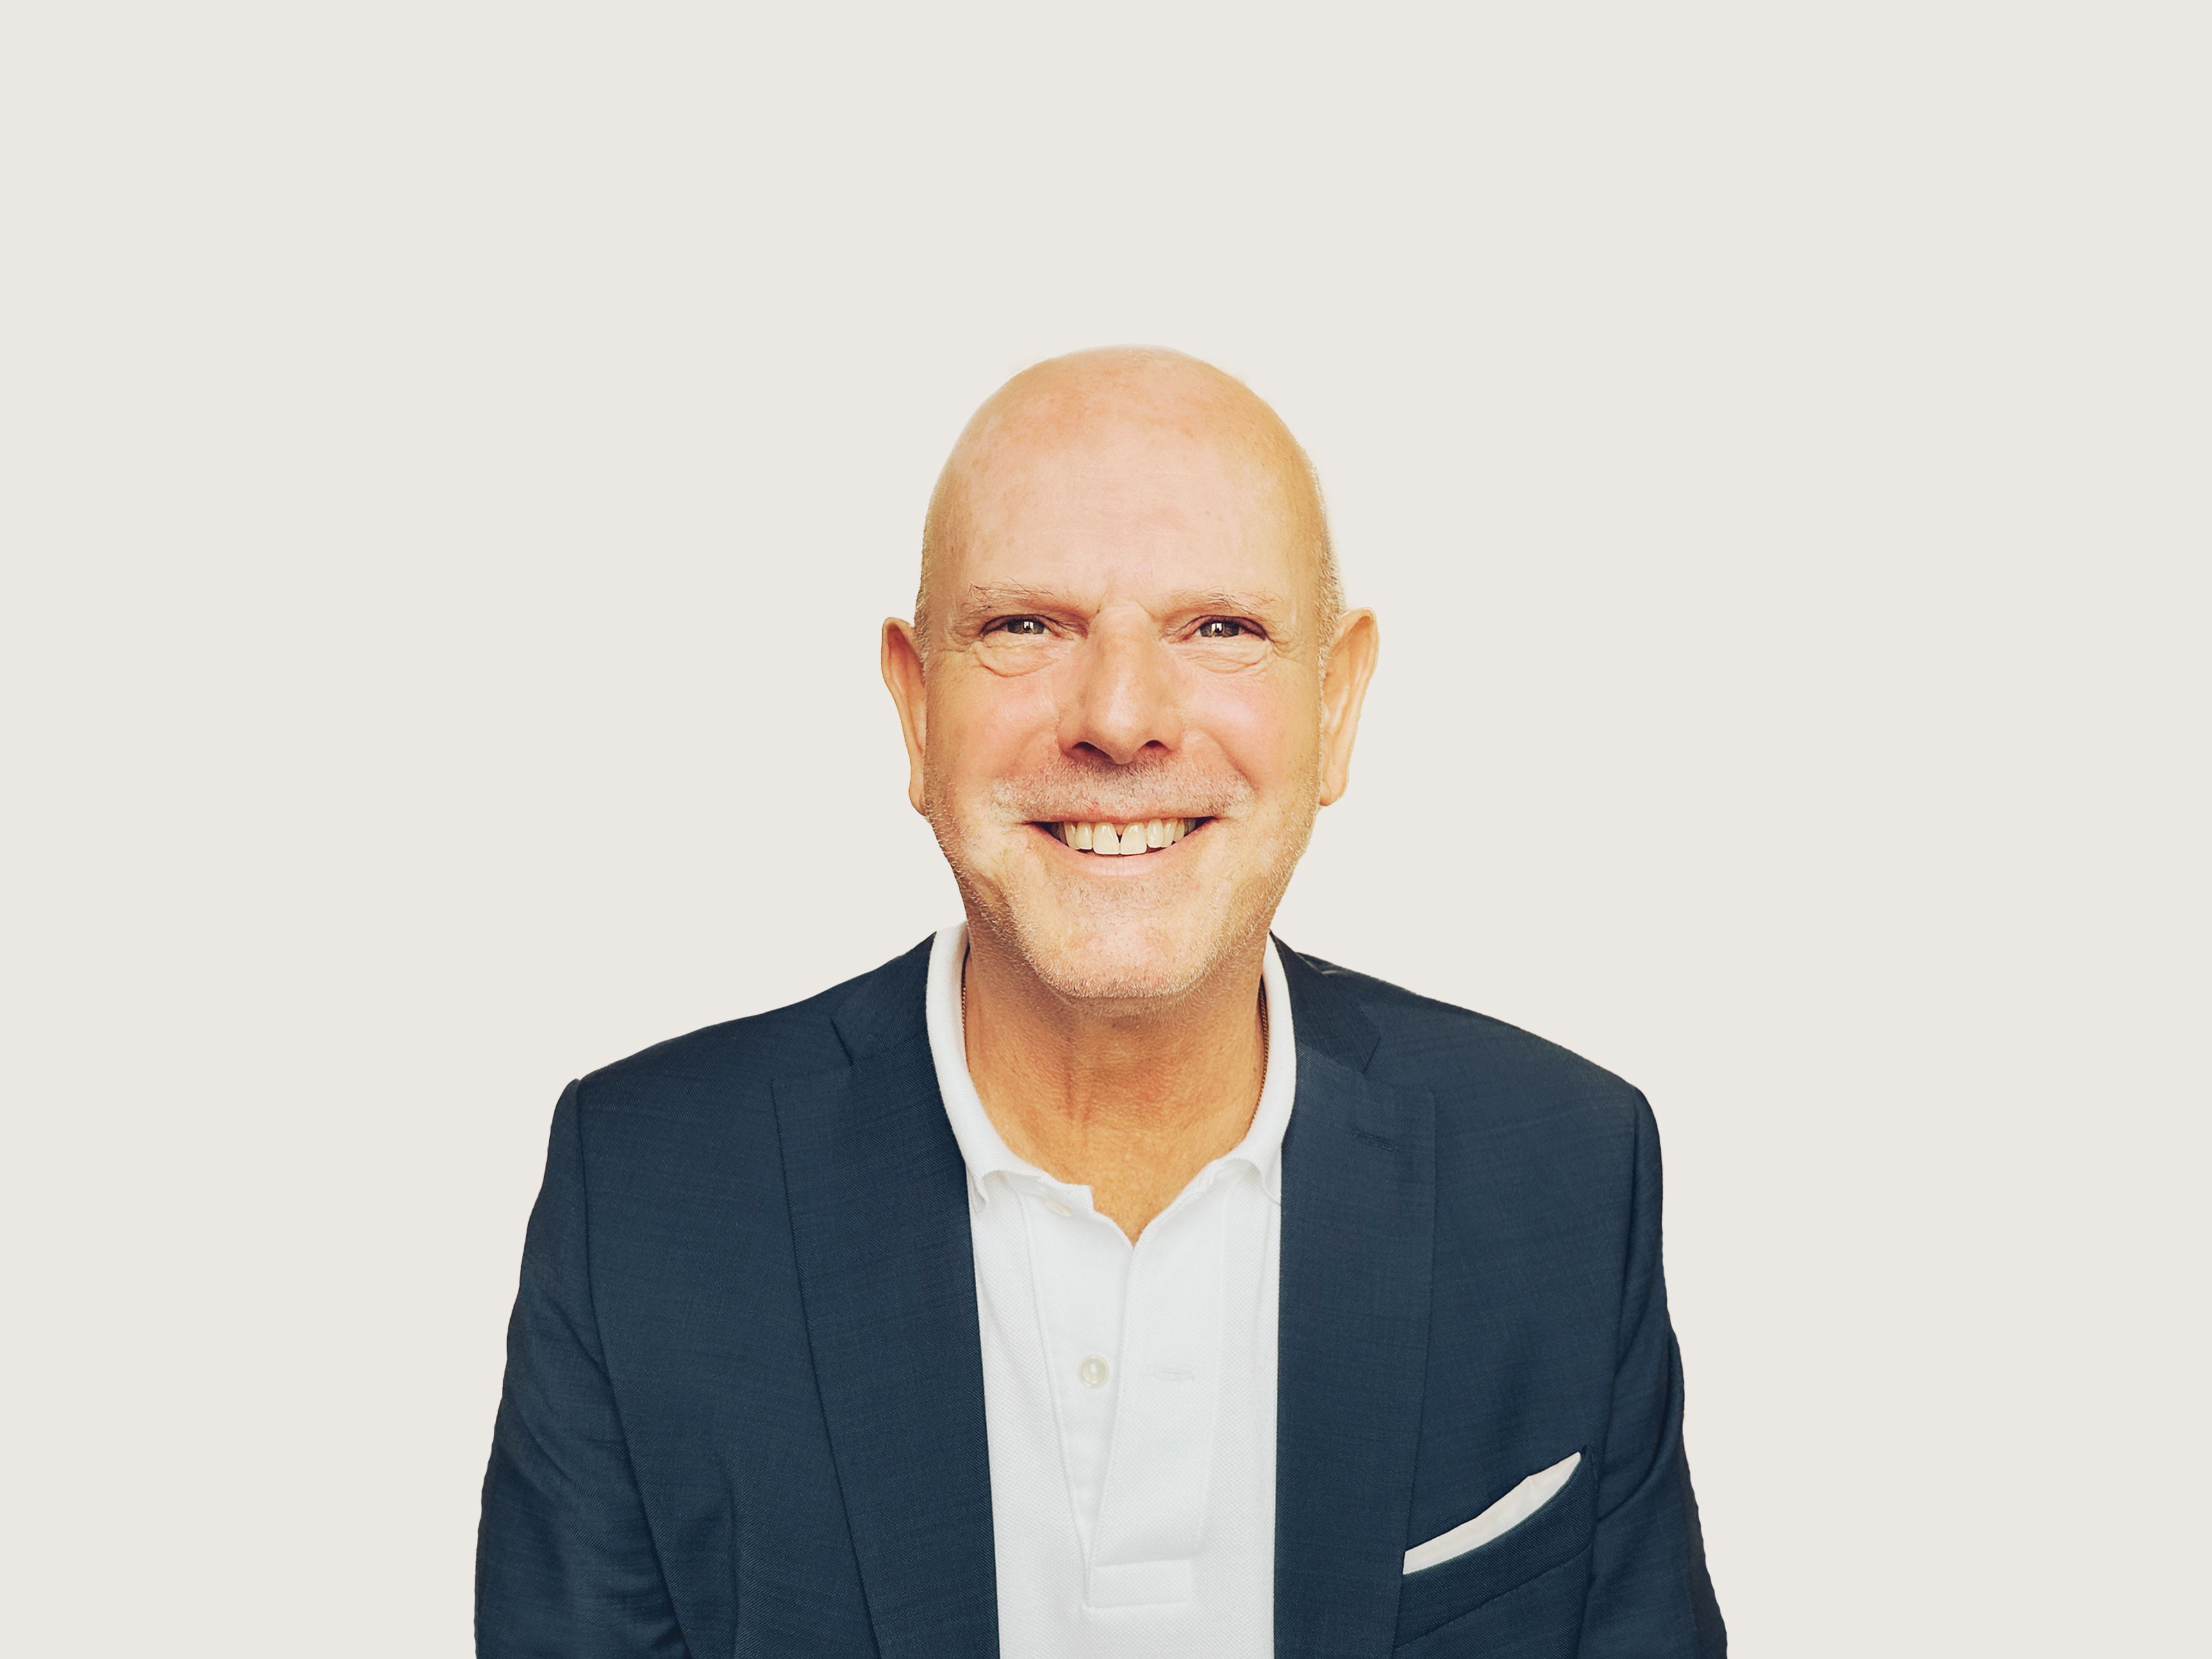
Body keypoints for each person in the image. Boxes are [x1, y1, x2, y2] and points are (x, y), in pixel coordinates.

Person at [476, 347, 1726, 1658]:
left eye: (1220, 628)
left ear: (1337, 701)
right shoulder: (645, 1194)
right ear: (916, 704)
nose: (1121, 720)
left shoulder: (1564, 1176)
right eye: (1026, 627)